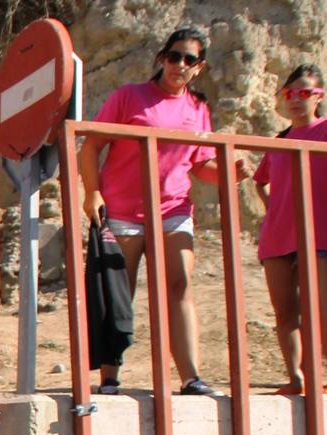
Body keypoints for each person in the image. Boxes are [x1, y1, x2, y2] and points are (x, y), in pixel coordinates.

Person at [78, 26, 244, 397]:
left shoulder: (199, 109)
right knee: (118, 291)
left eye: (189, 59)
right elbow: (90, 148)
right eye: (173, 56)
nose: (179, 65)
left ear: (199, 67)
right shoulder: (129, 97)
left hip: (173, 208)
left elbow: (199, 165)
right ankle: (109, 377)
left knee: (180, 283)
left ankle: (190, 376)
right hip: (123, 208)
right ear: (161, 58)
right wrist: (92, 194)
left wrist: (231, 173)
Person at [253, 64, 327, 394]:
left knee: (321, 311)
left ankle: (318, 376)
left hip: (321, 233)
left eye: (305, 93)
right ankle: (295, 377)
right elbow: (261, 181)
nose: (296, 100)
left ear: (319, 97)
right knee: (285, 312)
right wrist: (276, 213)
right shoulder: (281, 140)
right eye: (290, 93)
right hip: (278, 237)